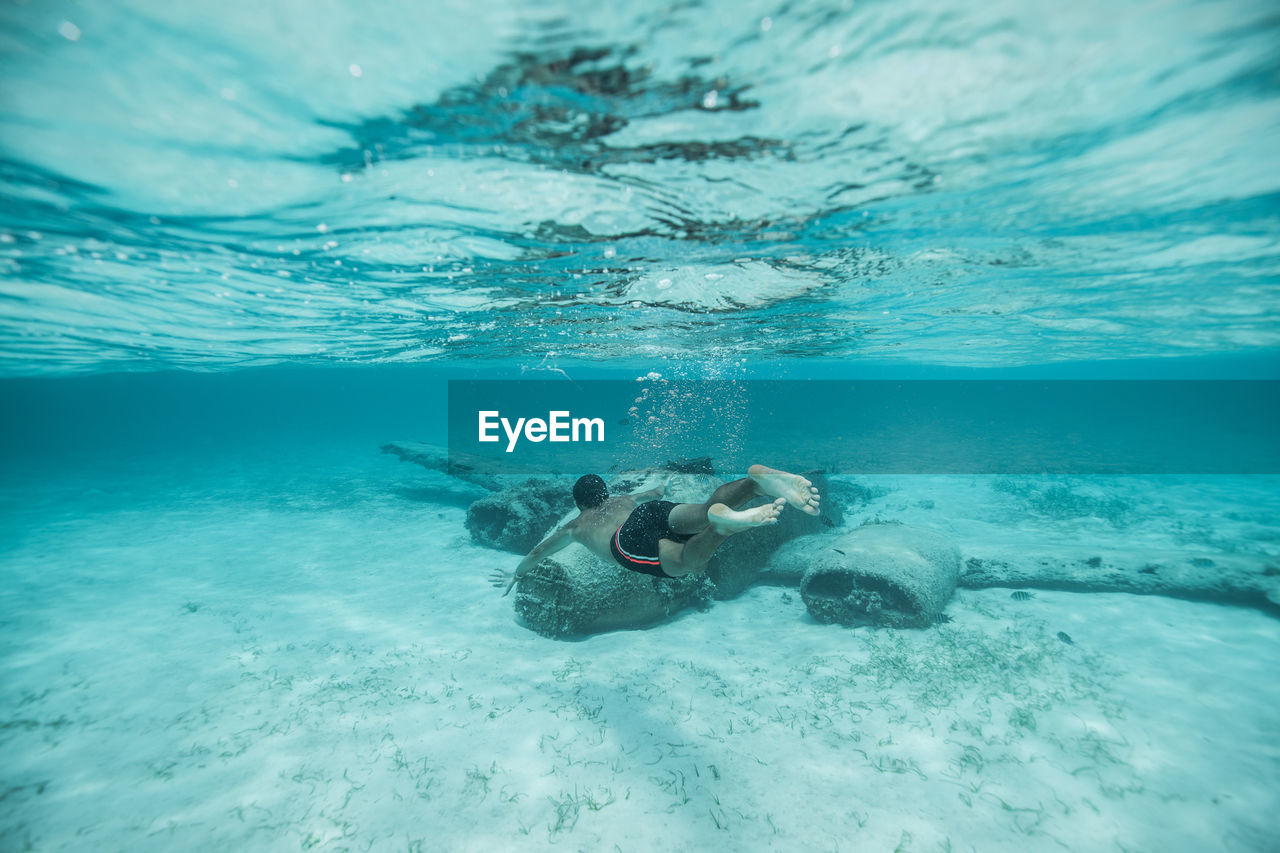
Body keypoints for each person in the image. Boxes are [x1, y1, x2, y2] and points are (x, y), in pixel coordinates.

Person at [489, 465, 821, 596]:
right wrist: (661, 485)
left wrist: (517, 574)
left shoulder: (577, 525)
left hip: (625, 541)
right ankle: (753, 484)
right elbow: (653, 494)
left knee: (685, 563)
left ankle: (721, 529)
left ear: (579, 504)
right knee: (704, 511)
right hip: (650, 511)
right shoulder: (623, 498)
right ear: (604, 492)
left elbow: (538, 552)